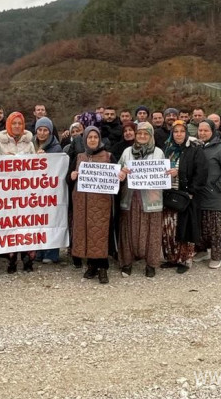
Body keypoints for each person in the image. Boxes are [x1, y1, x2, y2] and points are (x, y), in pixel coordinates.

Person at [68, 127, 116, 284]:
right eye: (90, 137)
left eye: (96, 137)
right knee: (86, 234)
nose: (93, 140)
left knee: (99, 235)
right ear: (85, 140)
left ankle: (103, 268)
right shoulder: (79, 157)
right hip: (83, 204)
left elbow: (116, 182)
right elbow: (68, 180)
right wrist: (72, 176)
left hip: (101, 204)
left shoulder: (108, 157)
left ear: (100, 139)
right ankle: (91, 266)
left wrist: (120, 176)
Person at [117, 122, 165, 277]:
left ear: (151, 136)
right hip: (130, 198)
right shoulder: (127, 152)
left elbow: (162, 174)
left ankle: (151, 264)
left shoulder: (158, 153)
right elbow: (117, 173)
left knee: (152, 231)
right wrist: (121, 174)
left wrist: (169, 173)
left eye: (146, 134)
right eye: (139, 134)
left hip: (151, 199)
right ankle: (126, 263)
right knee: (128, 231)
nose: (142, 136)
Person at [161, 121, 207, 274]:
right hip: (168, 194)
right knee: (169, 228)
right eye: (176, 132)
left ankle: (184, 260)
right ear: (172, 134)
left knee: (185, 228)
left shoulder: (194, 150)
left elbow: (201, 173)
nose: (178, 134)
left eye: (182, 131)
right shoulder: (167, 150)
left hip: (186, 196)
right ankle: (171, 258)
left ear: (186, 133)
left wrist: (191, 191)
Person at [0, 112, 36, 272]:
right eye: (14, 123)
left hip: (26, 192)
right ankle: (11, 259)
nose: (17, 126)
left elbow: (36, 167)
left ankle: (27, 258)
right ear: (8, 125)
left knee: (26, 224)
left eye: (20, 123)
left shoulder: (30, 144)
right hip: (8, 194)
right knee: (10, 226)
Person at [193, 120, 221, 269]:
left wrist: (217, 187)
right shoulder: (197, 147)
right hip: (199, 195)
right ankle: (201, 250)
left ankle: (217, 256)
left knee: (216, 228)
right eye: (200, 130)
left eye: (206, 131)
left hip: (215, 196)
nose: (202, 133)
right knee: (200, 225)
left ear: (213, 132)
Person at [32, 117, 63, 264]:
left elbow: (57, 169)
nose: (42, 133)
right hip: (34, 190)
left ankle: (51, 253)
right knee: (37, 221)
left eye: (45, 130)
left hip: (50, 191)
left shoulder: (56, 148)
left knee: (51, 221)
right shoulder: (31, 145)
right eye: (40, 130)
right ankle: (38, 251)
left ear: (50, 132)